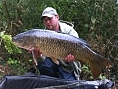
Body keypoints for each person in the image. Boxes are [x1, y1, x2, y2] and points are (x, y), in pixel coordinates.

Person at [29, 7, 81, 81]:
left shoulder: (69, 31)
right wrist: (39, 56)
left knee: (70, 85)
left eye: (50, 19)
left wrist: (73, 58)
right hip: (52, 63)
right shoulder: (41, 35)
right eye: (45, 20)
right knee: (42, 65)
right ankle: (53, 80)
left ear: (57, 17)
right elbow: (43, 59)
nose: (47, 22)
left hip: (68, 67)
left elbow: (80, 48)